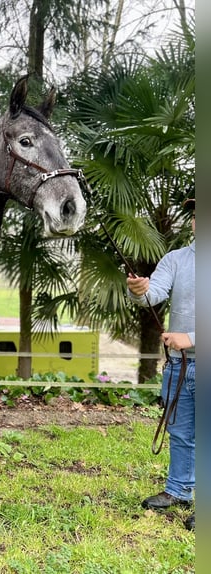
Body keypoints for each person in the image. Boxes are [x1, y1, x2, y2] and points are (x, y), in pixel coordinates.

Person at [126, 197, 195, 531]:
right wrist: (140, 289)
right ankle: (179, 490)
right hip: (180, 367)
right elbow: (153, 294)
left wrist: (192, 338)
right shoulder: (176, 259)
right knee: (180, 432)